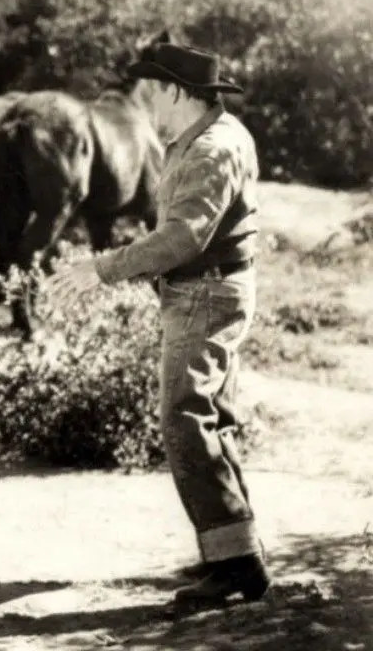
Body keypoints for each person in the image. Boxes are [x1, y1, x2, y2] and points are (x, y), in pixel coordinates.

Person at [44, 41, 269, 608]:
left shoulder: (210, 149)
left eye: (151, 88)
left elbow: (182, 237)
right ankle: (234, 554)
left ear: (174, 91)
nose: (146, 100)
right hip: (208, 288)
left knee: (185, 419)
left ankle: (236, 566)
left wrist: (104, 269)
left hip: (205, 292)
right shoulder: (214, 136)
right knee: (208, 418)